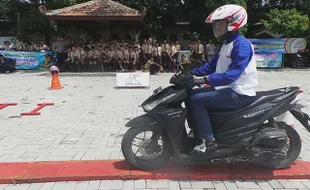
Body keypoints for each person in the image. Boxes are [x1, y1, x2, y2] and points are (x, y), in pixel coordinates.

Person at [185, 4, 258, 154]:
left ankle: (208, 141)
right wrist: (189, 72)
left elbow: (232, 75)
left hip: (239, 92)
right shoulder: (226, 44)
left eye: (220, 22)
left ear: (233, 22)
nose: (217, 26)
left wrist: (203, 80)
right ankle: (197, 131)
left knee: (198, 99)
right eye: (216, 23)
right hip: (227, 88)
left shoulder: (241, 45)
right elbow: (210, 67)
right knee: (190, 94)